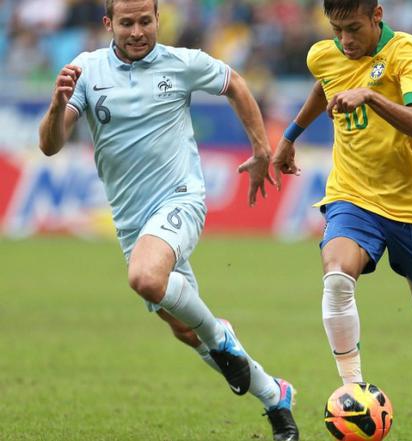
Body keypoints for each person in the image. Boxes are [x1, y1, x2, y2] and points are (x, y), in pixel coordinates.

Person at [37, 1, 299, 439]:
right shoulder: (86, 72)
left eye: (145, 21)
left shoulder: (181, 63)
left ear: (158, 20)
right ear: (109, 24)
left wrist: (260, 149)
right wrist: (57, 102)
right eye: (127, 23)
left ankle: (221, 337)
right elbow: (49, 145)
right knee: (184, 328)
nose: (137, 31)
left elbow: (234, 82)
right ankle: (275, 397)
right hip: (131, 222)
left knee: (145, 278)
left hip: (181, 199)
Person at [271, 1, 412, 440]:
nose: (345, 41)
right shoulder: (325, 53)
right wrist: (289, 137)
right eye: (337, 30)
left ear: (377, 14)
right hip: (352, 197)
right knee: (336, 277)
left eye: (353, 29)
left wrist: (371, 96)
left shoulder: (406, 52)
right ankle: (353, 391)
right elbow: (325, 85)